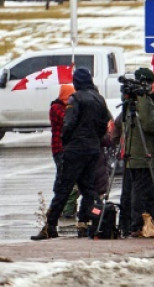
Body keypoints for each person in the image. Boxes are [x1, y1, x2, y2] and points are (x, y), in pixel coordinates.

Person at [32, 68, 111, 240]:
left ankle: (50, 226)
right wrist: (95, 140)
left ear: (76, 82)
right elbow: (105, 123)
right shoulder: (99, 98)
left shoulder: (76, 99)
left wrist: (67, 142)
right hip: (93, 149)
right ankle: (92, 221)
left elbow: (68, 124)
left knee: (63, 188)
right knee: (89, 189)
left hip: (75, 149)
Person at [116, 67, 154, 238]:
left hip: (133, 152)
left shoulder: (130, 100)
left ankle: (132, 224)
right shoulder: (143, 100)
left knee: (134, 190)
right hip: (144, 154)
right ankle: (140, 225)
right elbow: (150, 125)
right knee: (144, 191)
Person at [48, 84, 79, 220]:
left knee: (66, 178)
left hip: (67, 147)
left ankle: (64, 207)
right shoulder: (56, 108)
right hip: (59, 148)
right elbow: (67, 119)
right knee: (62, 178)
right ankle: (57, 208)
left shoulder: (65, 107)